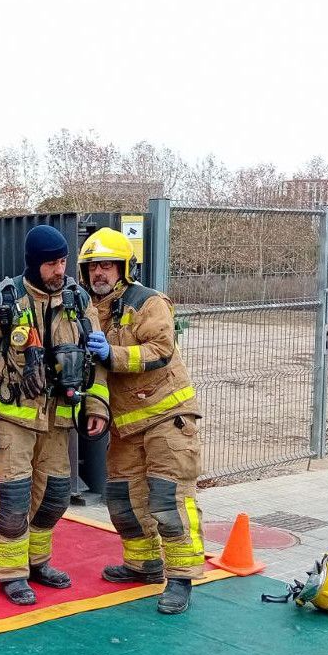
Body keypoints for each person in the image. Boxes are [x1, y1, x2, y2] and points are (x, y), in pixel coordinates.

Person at [0, 224, 110, 606]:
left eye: (63, 261)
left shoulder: (77, 299)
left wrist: (97, 405)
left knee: (55, 495)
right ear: (34, 263)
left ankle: (38, 562)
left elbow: (96, 363)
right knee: (13, 499)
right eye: (52, 263)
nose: (60, 269)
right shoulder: (2, 300)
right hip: (11, 420)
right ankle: (10, 574)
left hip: (58, 420)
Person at [78, 227, 204, 615]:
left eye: (108, 265)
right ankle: (143, 565)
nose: (100, 273)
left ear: (123, 268)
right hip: (126, 425)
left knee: (168, 500)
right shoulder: (85, 312)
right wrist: (97, 409)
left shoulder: (148, 303)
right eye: (93, 266)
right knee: (123, 501)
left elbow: (161, 349)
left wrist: (112, 353)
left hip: (168, 417)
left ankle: (180, 578)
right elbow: (94, 374)